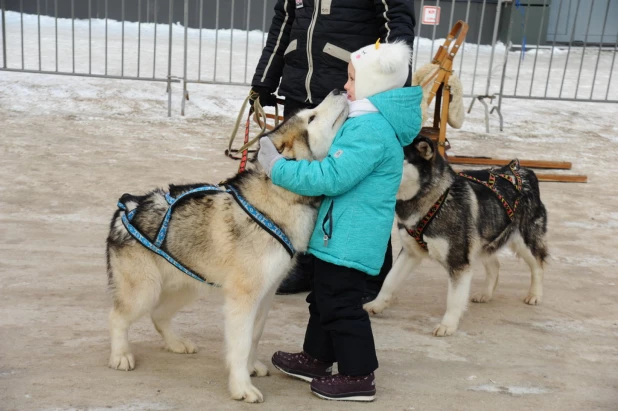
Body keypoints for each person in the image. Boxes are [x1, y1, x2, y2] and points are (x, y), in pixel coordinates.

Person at [257, 40, 423, 402]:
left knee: (341, 306)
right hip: (340, 233)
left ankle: (358, 375)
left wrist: (277, 168)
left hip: (352, 237)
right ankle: (316, 358)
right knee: (324, 299)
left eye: (351, 79)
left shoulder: (371, 131)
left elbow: (331, 177)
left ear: (373, 86)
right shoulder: (367, 122)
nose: (346, 87)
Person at [251, 0, 417, 295]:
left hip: (347, 94)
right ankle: (306, 265)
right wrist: (264, 79)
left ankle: (370, 273)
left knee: (353, 186)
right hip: (299, 87)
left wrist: (390, 86)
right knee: (304, 183)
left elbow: (397, 20)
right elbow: (283, 22)